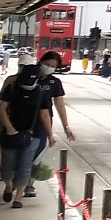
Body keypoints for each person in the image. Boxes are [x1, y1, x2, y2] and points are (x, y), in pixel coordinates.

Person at [0, 66, 52, 207]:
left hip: (33, 134)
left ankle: (18, 198)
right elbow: (2, 110)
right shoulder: (11, 89)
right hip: (10, 134)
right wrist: (9, 128)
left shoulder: (40, 92)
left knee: (25, 166)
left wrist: (50, 134)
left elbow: (44, 114)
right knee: (7, 165)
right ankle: (8, 185)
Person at [27, 52, 77, 198]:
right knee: (22, 150)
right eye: (47, 65)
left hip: (44, 122)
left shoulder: (54, 83)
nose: (49, 68)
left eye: (53, 67)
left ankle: (29, 183)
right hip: (22, 120)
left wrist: (66, 126)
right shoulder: (29, 77)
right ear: (40, 61)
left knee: (37, 153)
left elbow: (60, 105)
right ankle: (18, 179)